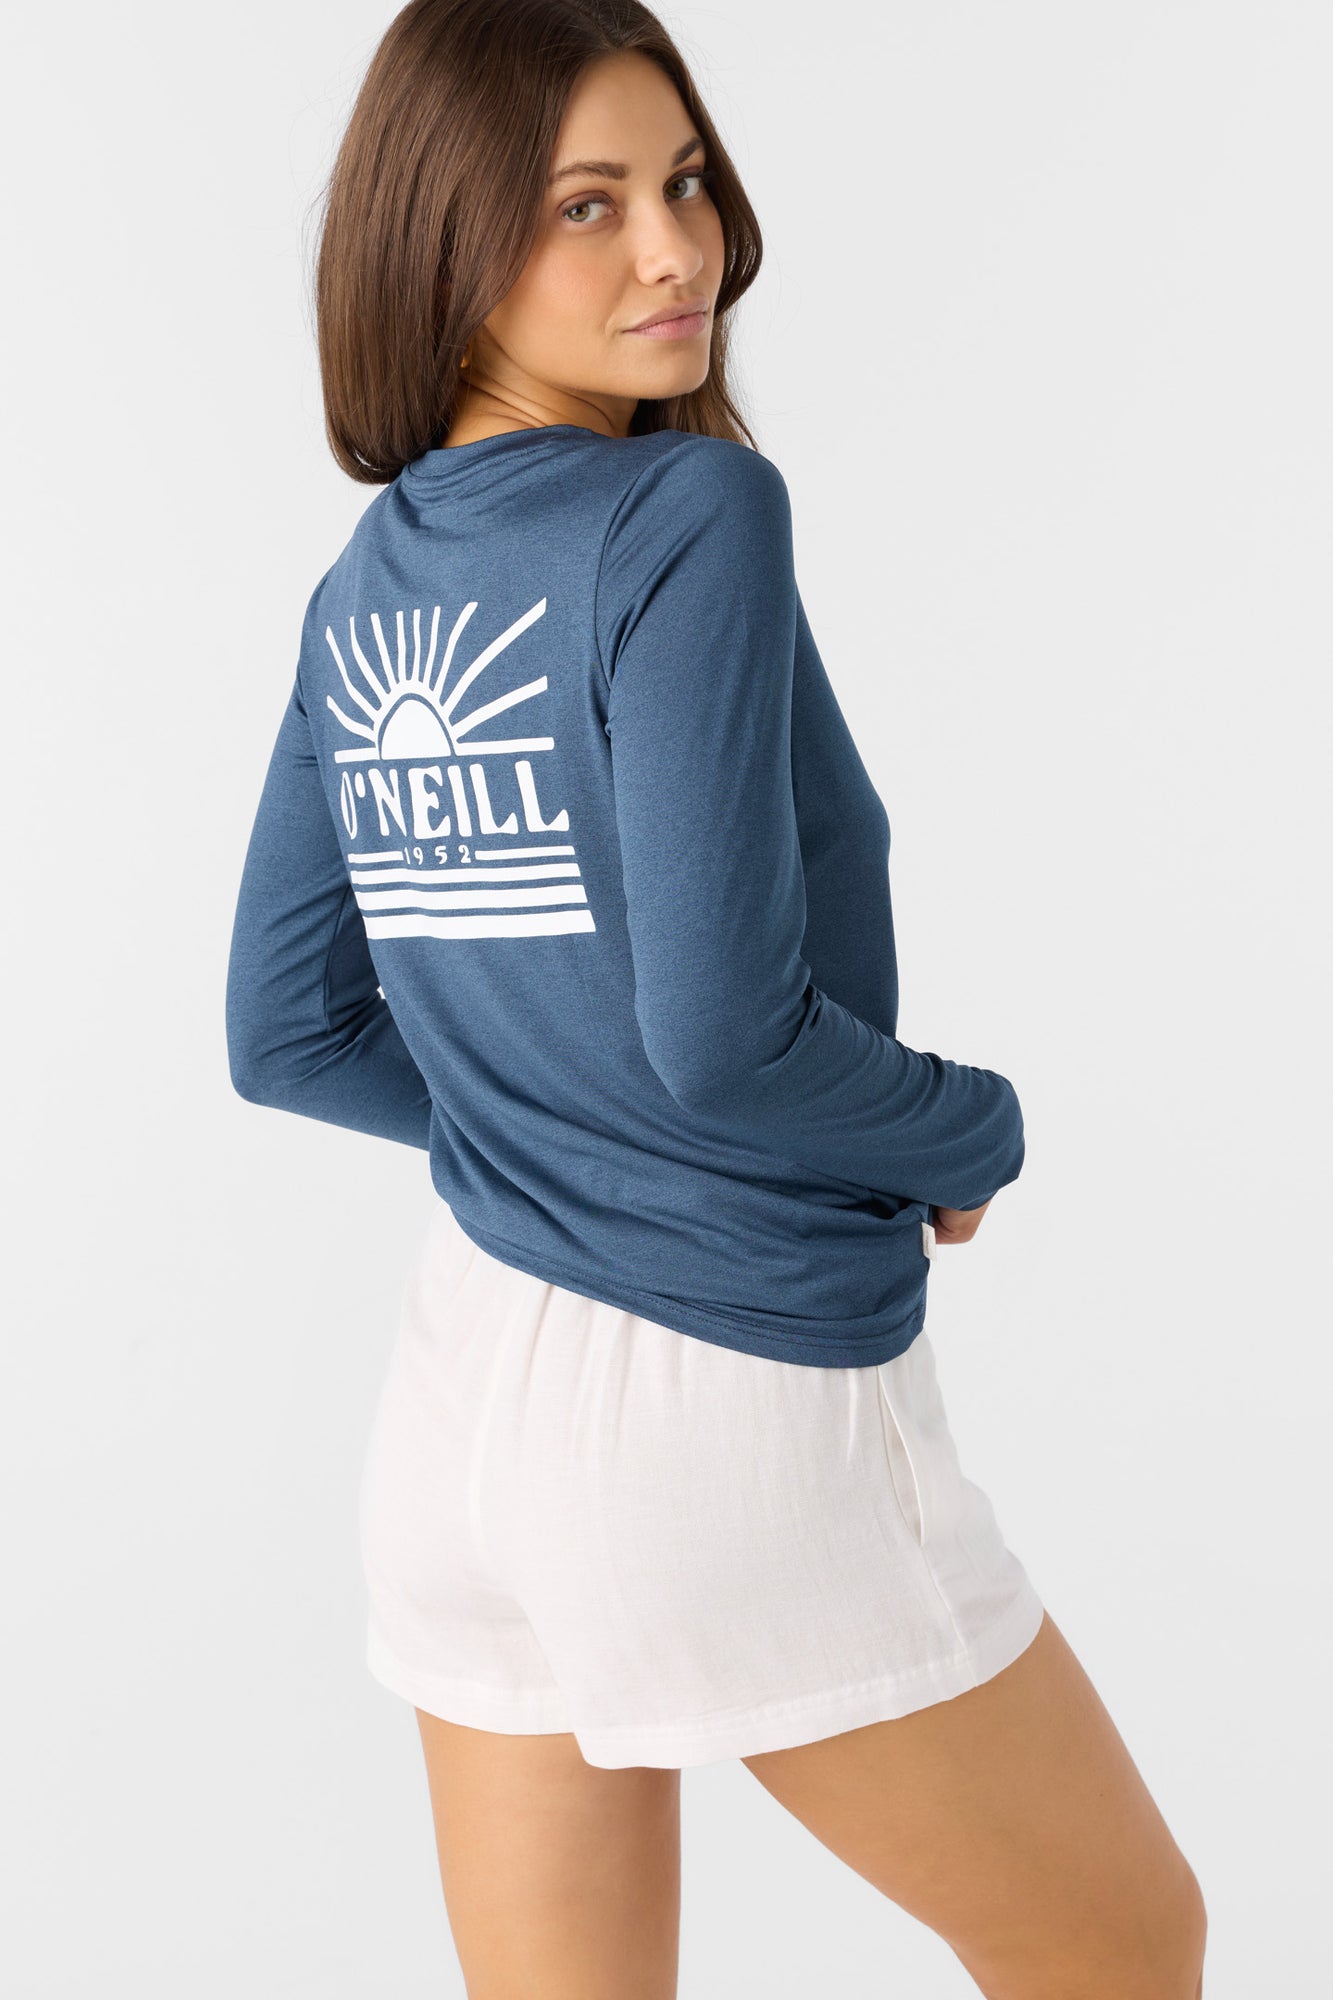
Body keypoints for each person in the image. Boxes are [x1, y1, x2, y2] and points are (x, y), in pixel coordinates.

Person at [225, 2, 1208, 1994]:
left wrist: (557, 1126)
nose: (679, 251)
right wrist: (965, 1128)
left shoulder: (373, 580)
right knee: (1120, 1943)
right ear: (441, 241)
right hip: (719, 1405)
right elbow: (725, 1040)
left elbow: (289, 1032)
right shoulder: (687, 515)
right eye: (585, 205)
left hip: (455, 1409)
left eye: (683, 184)